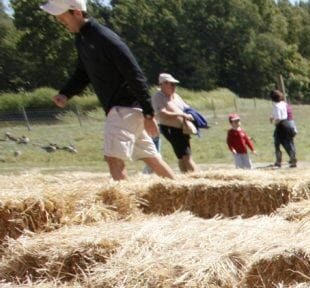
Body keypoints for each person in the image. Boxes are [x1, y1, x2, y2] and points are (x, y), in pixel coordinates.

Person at [42, 0, 173, 180]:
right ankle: (187, 198)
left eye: (63, 17)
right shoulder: (81, 39)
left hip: (123, 108)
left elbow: (134, 74)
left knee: (114, 159)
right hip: (124, 109)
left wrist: (149, 113)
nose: (60, 21)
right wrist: (66, 93)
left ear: (77, 12)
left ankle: (125, 207)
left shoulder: (105, 38)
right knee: (152, 159)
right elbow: (83, 72)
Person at [151, 73, 197, 173]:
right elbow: (162, 113)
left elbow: (186, 108)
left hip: (182, 129)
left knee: (182, 156)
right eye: (171, 84)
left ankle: (186, 177)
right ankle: (197, 177)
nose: (174, 86)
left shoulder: (176, 96)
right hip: (171, 129)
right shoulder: (158, 97)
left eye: (174, 84)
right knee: (186, 155)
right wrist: (181, 115)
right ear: (163, 84)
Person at [269, 89, 297, 168]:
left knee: (277, 143)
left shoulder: (276, 105)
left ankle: (278, 161)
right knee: (289, 143)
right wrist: (272, 117)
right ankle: (293, 160)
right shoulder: (283, 103)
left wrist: (275, 122)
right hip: (287, 123)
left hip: (281, 125)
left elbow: (278, 117)